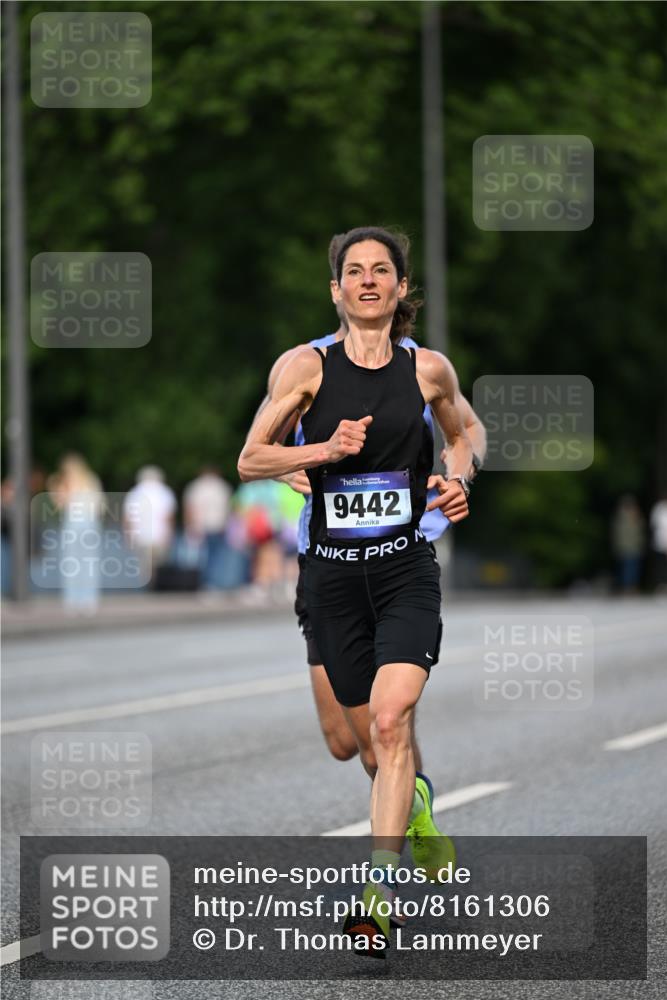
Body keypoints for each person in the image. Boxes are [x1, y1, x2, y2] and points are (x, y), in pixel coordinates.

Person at [239, 226, 474, 954]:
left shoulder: (427, 369)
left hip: (405, 568)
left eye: (381, 271)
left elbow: (465, 431)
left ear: (400, 289)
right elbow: (251, 456)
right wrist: (321, 449)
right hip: (331, 576)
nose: (368, 281)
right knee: (351, 744)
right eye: (353, 271)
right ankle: (419, 807)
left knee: (390, 722)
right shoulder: (303, 368)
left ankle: (377, 894)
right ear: (335, 289)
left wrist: (458, 477)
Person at [47, 453, 104, 614]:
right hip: (89, 523)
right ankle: (88, 600)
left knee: (72, 563)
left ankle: (72, 600)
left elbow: (59, 504)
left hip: (73, 523)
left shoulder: (65, 482)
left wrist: (54, 487)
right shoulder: (91, 479)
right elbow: (99, 505)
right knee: (88, 563)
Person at [123, 466, 177, 587]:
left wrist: (128, 534)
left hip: (141, 534)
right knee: (157, 563)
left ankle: (149, 584)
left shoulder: (135, 493)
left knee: (145, 563)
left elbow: (129, 517)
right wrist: (170, 532)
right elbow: (169, 516)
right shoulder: (165, 492)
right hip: (159, 534)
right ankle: (155, 584)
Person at [183, 465, 232, 588]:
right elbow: (227, 508)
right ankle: (211, 583)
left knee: (201, 558)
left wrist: (189, 526)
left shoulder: (196, 487)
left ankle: (202, 583)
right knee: (215, 557)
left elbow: (190, 509)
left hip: (200, 526)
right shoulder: (222, 486)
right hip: (217, 526)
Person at [611, 495, 644, 593]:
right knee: (627, 568)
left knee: (633, 567)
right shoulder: (621, 518)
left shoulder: (634, 517)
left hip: (634, 546)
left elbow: (640, 531)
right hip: (626, 547)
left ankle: (631, 586)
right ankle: (627, 587)